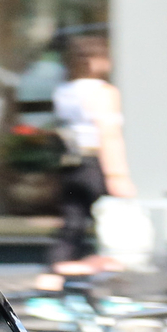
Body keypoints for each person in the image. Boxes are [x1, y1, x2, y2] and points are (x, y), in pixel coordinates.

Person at [35, 37, 133, 290]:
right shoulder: (103, 92)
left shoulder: (64, 91)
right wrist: (117, 175)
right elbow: (109, 134)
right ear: (96, 60)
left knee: (72, 226)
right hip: (95, 163)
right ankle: (105, 285)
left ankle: (51, 279)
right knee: (112, 231)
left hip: (71, 164)